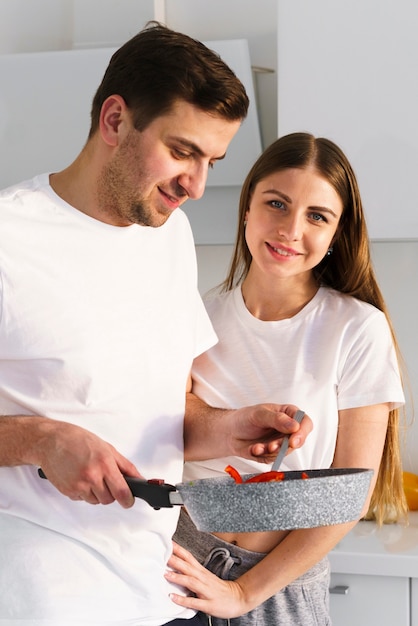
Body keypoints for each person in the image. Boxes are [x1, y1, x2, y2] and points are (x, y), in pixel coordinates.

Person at [0, 24, 312, 626]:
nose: (196, 186)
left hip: (154, 589)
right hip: (41, 593)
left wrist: (229, 429)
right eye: (183, 151)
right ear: (115, 121)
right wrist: (41, 440)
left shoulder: (168, 235)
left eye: (212, 161)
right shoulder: (11, 239)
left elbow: (161, 411)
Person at [168, 132, 408, 625]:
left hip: (277, 588)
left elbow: (350, 495)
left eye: (317, 216)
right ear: (247, 209)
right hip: (177, 570)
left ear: (337, 233)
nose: (290, 229)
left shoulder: (356, 328)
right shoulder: (196, 316)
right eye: (276, 204)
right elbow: (170, 439)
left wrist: (243, 593)